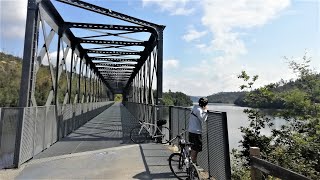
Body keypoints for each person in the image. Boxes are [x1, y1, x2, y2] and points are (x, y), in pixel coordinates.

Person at [188, 97, 209, 165]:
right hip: (196, 132)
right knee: (196, 149)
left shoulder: (194, 108)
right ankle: (191, 164)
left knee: (193, 147)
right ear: (204, 104)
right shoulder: (199, 110)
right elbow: (203, 119)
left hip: (191, 131)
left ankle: (192, 164)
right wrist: (205, 111)